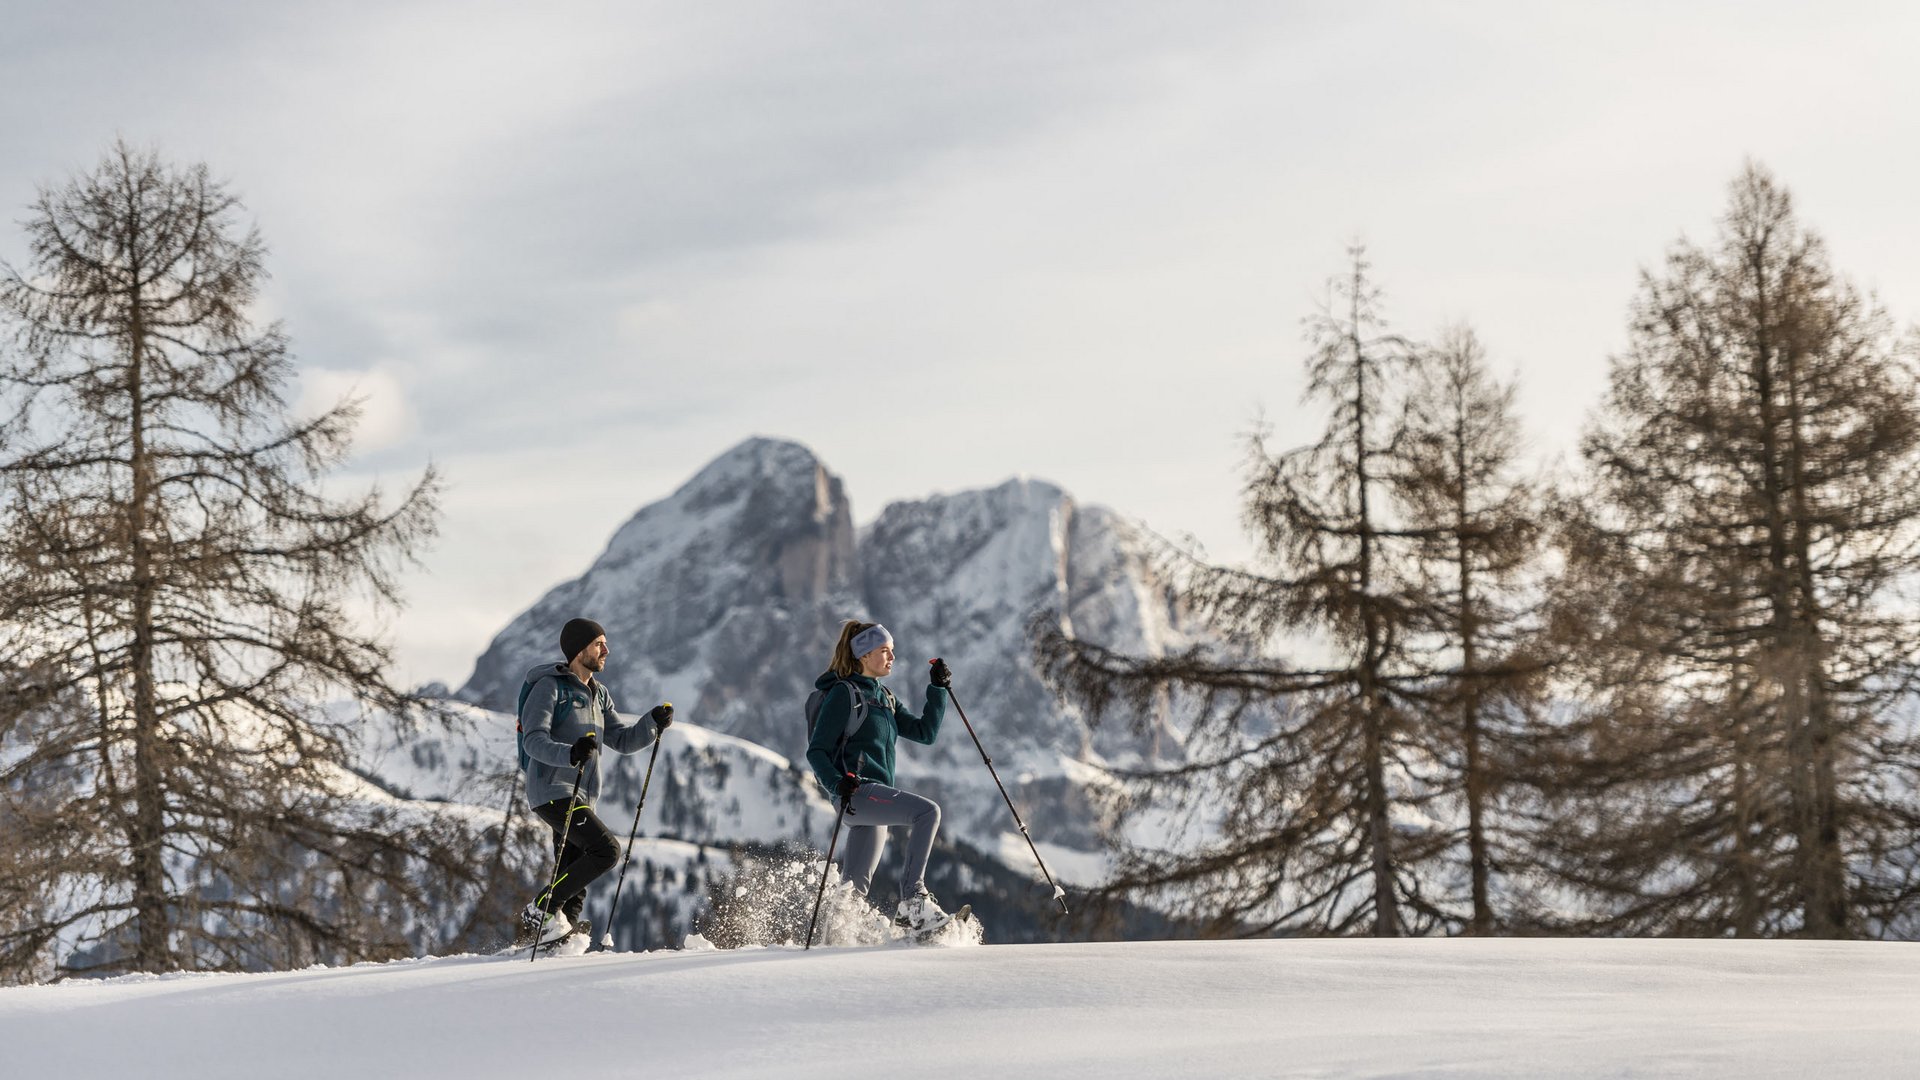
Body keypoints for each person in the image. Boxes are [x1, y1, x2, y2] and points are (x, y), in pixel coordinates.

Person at [517, 617, 672, 948]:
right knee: (606, 850)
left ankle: (559, 938)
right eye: (599, 643)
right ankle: (543, 907)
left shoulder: (599, 695)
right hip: (552, 790)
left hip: (584, 794)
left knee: (575, 872)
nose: (607, 650)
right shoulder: (549, 687)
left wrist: (652, 724)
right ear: (579, 649)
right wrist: (570, 754)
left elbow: (622, 739)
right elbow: (533, 740)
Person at [806, 619, 955, 932]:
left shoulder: (885, 697)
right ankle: (914, 901)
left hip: (872, 799)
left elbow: (924, 733)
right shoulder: (843, 694)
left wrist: (937, 689)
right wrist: (836, 783)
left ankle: (837, 936)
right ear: (863, 655)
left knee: (851, 893)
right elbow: (816, 751)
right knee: (928, 812)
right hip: (857, 793)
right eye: (884, 651)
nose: (892, 657)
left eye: (892, 651)